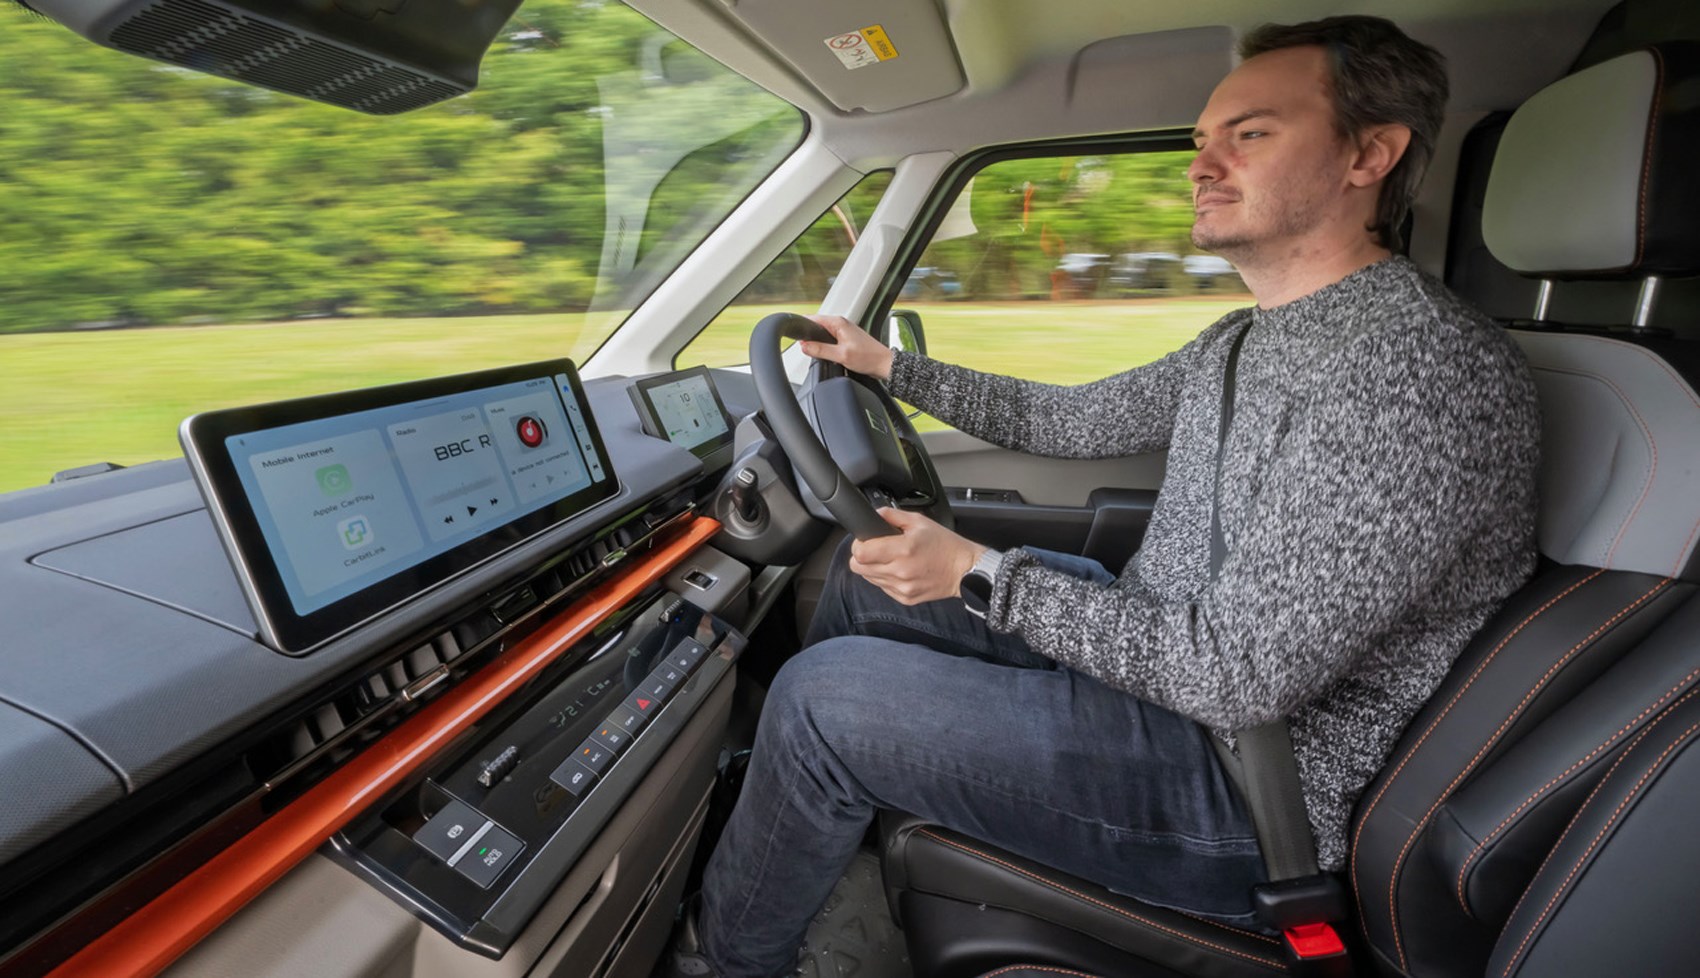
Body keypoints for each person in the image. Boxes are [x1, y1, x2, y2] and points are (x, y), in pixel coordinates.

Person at [669, 15, 1541, 978]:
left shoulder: (1417, 373)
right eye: (1200, 141)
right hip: (1160, 674)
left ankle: (728, 958)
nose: (1202, 164)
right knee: (862, 584)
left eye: (1248, 134)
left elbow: (1234, 679)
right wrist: (889, 367)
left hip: (1243, 789)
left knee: (821, 700)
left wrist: (974, 569)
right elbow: (1074, 425)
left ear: (1369, 154)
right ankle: (822, 809)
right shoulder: (1247, 338)